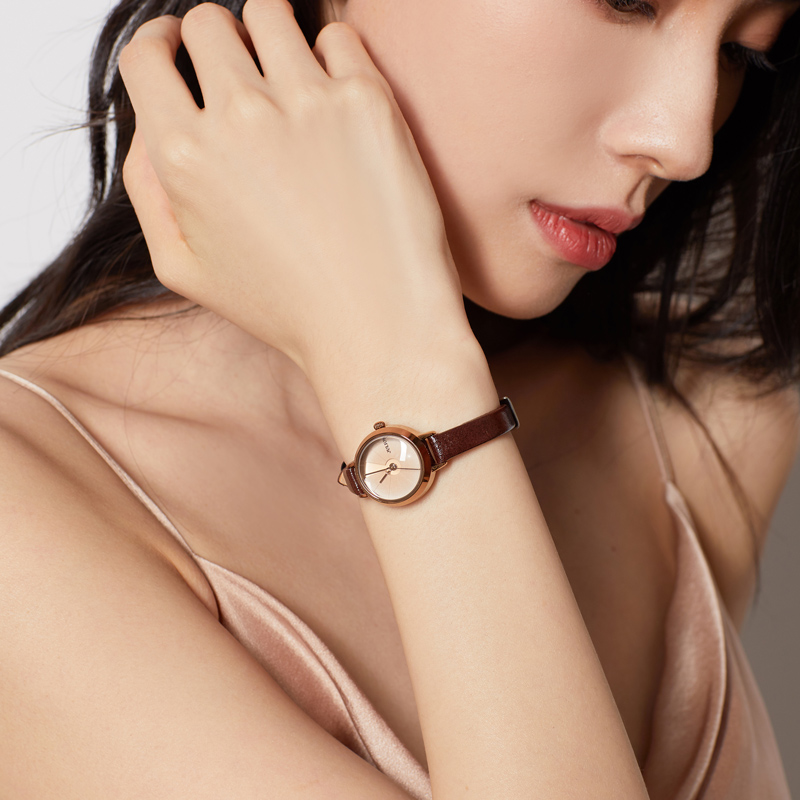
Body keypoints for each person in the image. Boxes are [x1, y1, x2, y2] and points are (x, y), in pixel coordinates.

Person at [1, 0, 799, 796]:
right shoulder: (28, 518)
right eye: (628, 2)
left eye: (742, 52)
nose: (685, 141)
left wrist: (397, 355)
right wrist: (402, 365)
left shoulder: (708, 410)